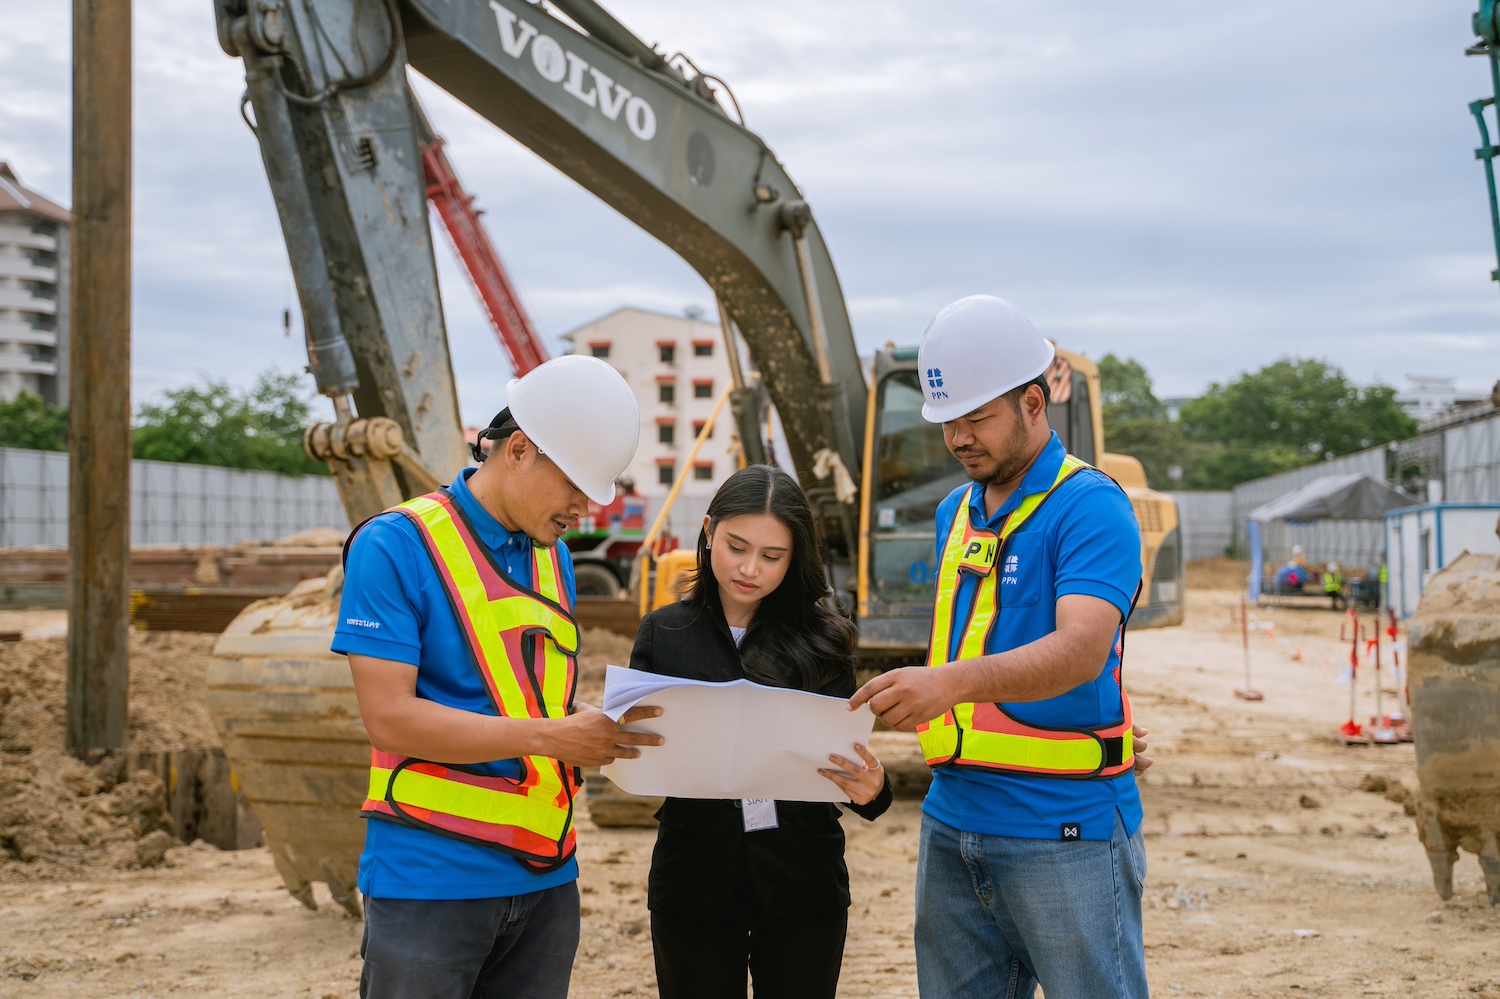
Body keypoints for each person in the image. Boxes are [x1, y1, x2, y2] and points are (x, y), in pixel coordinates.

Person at [334, 355, 665, 999]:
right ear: (518, 449)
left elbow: (527, 699)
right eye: (575, 485)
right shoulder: (394, 545)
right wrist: (553, 738)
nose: (584, 507)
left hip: (545, 880)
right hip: (430, 881)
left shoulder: (554, 559)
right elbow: (390, 718)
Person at [851, 295, 1152, 998]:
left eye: (977, 418)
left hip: (1063, 826)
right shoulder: (956, 512)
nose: (959, 438)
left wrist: (946, 685)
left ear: (1034, 402)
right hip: (953, 818)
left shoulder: (1090, 505)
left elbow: (1080, 651)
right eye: (949, 422)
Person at [629, 464, 893, 999]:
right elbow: (633, 752)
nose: (751, 569)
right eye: (736, 546)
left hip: (801, 881)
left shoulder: (825, 639)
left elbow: (851, 769)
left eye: (773, 556)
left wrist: (874, 791)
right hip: (693, 878)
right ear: (708, 533)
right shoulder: (664, 633)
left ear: (796, 558)